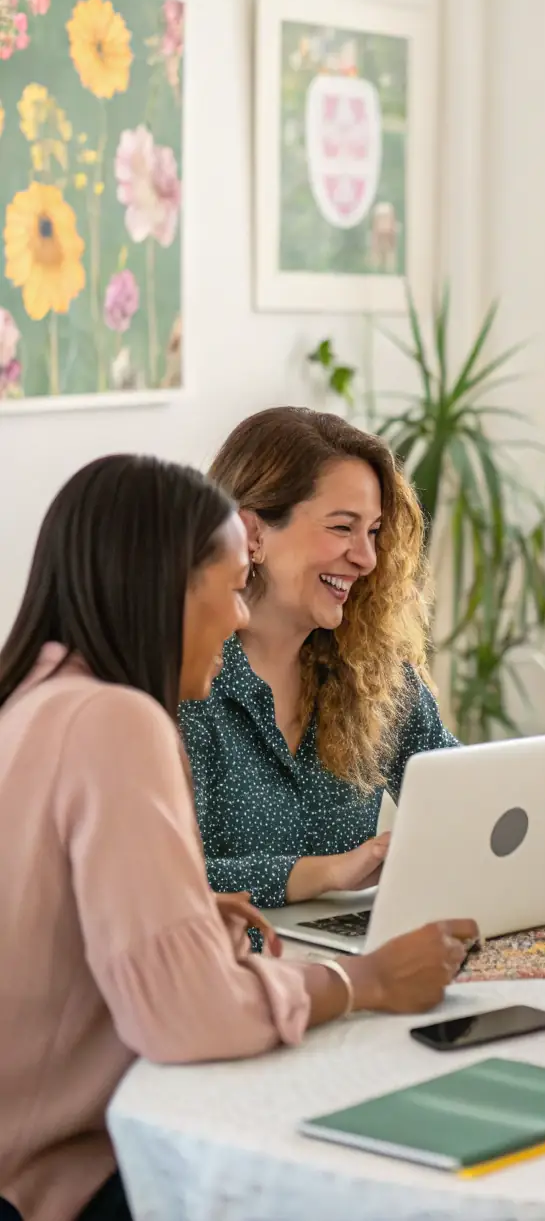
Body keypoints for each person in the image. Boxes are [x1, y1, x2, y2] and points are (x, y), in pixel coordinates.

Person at [0, 456, 476, 1221]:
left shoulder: (35, 698)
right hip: (52, 1177)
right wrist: (368, 982)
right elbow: (189, 1017)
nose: (240, 615)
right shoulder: (117, 723)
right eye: (227, 587)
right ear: (163, 588)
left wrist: (182, 915)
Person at [178, 407, 457, 910]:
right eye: (342, 527)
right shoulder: (182, 678)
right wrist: (327, 873)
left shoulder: (375, 674)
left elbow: (460, 789)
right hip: (224, 969)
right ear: (252, 535)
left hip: (342, 960)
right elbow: (165, 881)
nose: (366, 558)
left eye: (373, 531)